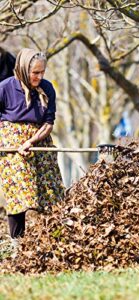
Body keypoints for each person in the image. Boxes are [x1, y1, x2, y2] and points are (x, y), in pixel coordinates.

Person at [0, 48, 65, 242]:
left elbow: (48, 122)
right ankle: (17, 244)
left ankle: (53, 241)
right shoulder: (4, 88)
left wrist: (31, 141)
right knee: (19, 194)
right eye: (35, 72)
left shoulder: (47, 88)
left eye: (42, 72)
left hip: (39, 140)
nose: (39, 77)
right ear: (21, 69)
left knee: (51, 192)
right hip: (12, 146)